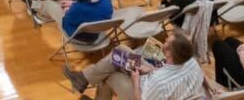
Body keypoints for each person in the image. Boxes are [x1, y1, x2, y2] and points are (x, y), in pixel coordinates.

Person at [63, 29, 204, 100]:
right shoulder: (192, 63)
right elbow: (169, 71)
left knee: (110, 74)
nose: (163, 42)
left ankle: (84, 79)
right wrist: (151, 68)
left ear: (168, 54)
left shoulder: (159, 81)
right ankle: (83, 77)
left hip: (141, 92)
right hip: (154, 79)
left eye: (166, 42)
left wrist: (136, 81)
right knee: (120, 51)